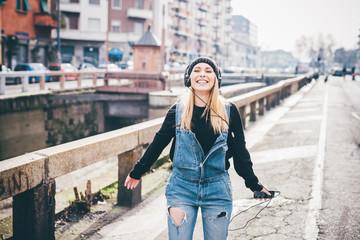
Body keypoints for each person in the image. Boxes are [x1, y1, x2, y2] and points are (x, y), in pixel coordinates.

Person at [124, 57, 271, 240]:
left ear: (216, 78)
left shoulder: (229, 111)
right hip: (181, 188)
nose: (202, 74)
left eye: (208, 71)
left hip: (217, 189)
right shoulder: (177, 111)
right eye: (197, 70)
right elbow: (158, 144)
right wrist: (138, 171)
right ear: (189, 78)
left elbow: (240, 152)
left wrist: (254, 184)